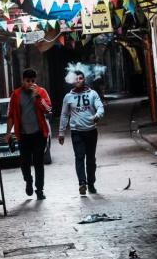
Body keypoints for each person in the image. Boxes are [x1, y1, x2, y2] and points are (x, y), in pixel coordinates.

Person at [6, 68, 52, 200]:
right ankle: (28, 180)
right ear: (23, 80)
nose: (30, 83)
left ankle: (40, 189)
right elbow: (10, 116)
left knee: (38, 163)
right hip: (23, 135)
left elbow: (48, 110)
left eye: (32, 81)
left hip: (39, 134)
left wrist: (38, 97)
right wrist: (8, 133)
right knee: (24, 163)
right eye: (27, 81)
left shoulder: (41, 92)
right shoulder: (16, 95)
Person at [58, 70, 105, 195]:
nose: (78, 80)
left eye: (80, 78)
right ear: (72, 81)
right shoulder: (68, 97)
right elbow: (64, 115)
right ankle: (82, 183)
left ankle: (91, 183)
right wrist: (61, 132)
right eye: (76, 78)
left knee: (91, 159)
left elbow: (100, 106)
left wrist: (97, 115)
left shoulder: (92, 94)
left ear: (84, 80)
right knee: (79, 157)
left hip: (91, 131)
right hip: (76, 132)